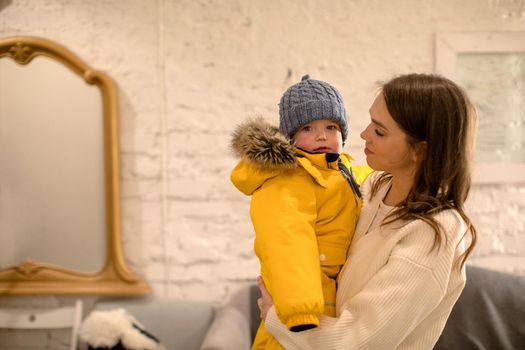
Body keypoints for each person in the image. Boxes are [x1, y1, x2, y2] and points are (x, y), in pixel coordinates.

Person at [256, 73, 478, 350]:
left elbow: (356, 343)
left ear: (419, 150)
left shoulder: (433, 236)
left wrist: (275, 316)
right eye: (371, 121)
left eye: (380, 131)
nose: (362, 135)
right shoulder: (371, 187)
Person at [230, 75, 371, 350]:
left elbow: (377, 182)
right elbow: (287, 242)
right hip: (304, 304)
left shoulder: (345, 170)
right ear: (290, 137)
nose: (322, 135)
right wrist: (299, 309)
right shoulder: (287, 180)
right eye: (308, 128)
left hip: (335, 295)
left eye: (331, 126)